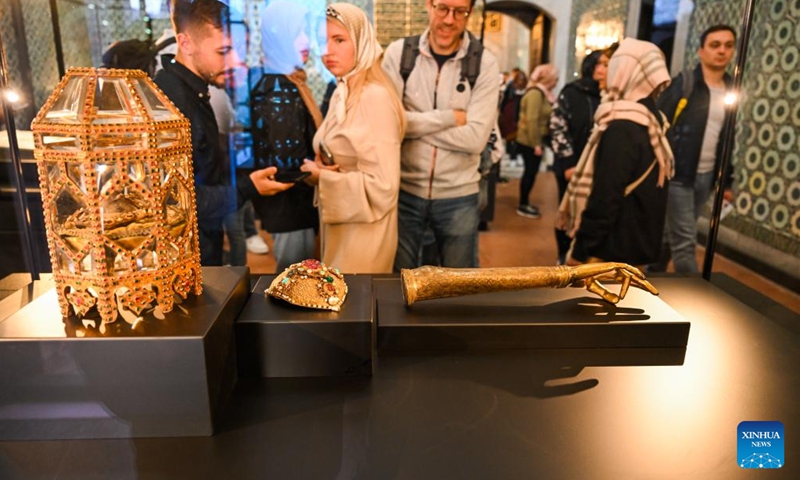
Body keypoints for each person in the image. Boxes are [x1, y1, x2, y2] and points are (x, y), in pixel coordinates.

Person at [154, 0, 291, 265]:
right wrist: (248, 188)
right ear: (186, 44)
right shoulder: (172, 101)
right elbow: (172, 200)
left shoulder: (196, 92)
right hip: (185, 259)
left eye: (240, 51)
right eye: (224, 51)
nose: (236, 61)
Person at [383, 0, 499, 270]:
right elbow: (389, 125)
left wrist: (413, 126)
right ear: (429, 5)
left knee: (457, 288)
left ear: (470, 13)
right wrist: (450, 118)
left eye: (460, 12)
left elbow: (475, 139)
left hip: (459, 196)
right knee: (399, 282)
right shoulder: (399, 54)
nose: (449, 19)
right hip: (404, 191)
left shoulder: (484, 63)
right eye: (443, 8)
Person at [300, 3, 405, 273]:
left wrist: (322, 177)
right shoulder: (343, 90)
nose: (328, 51)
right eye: (323, 41)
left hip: (364, 235)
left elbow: (384, 187)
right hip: (344, 226)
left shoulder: (374, 97)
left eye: (339, 40)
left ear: (361, 41)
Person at [557, 38, 674, 267]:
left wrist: (580, 252)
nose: (606, 71)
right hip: (636, 246)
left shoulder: (623, 126)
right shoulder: (652, 120)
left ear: (626, 70)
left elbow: (605, 197)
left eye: (613, 65)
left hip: (611, 251)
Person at [650, 25, 736, 274]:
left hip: (707, 177)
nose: (722, 51)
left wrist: (726, 181)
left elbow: (728, 139)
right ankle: (697, 297)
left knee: (671, 234)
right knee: (685, 241)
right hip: (678, 174)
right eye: (715, 45)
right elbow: (658, 122)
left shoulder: (732, 87)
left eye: (728, 45)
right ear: (701, 51)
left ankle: (652, 274)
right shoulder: (685, 84)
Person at [250, 1, 320, 271]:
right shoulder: (279, 88)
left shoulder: (288, 80)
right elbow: (288, 166)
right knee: (296, 282)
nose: (306, 41)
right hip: (291, 205)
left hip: (291, 205)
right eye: (297, 32)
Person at [549, 49, 609, 263]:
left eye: (608, 64)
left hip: (597, 166)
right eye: (600, 63)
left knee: (590, 212)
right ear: (590, 66)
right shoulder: (572, 91)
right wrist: (567, 163)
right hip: (570, 164)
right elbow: (557, 127)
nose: (604, 68)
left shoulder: (610, 95)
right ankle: (563, 255)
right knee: (568, 208)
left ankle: (583, 255)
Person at [515, 63, 558, 219]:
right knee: (530, 173)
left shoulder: (542, 93)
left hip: (533, 140)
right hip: (530, 141)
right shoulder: (536, 94)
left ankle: (524, 202)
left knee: (531, 173)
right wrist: (536, 144)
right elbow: (532, 120)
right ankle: (523, 204)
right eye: (555, 79)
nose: (556, 83)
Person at [498, 68, 526, 162]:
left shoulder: (514, 87)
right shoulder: (512, 87)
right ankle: (512, 154)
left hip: (513, 113)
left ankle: (513, 154)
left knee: (513, 135)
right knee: (511, 134)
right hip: (511, 113)